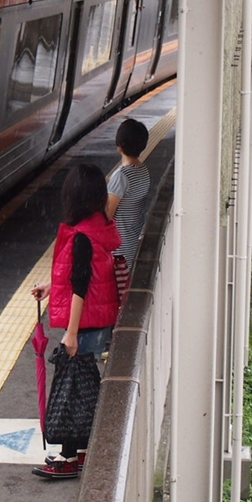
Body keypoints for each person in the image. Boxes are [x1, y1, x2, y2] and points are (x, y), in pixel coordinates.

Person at [30, 163, 122, 479]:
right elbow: (81, 276)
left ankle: (68, 458)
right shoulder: (96, 227)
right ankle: (80, 452)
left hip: (85, 324)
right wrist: (51, 286)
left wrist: (71, 333)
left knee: (72, 390)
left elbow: (81, 285)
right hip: (97, 319)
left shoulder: (81, 235)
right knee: (81, 387)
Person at [106, 118, 151, 274]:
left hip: (116, 250)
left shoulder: (121, 176)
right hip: (131, 244)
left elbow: (107, 215)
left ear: (120, 146)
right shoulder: (143, 171)